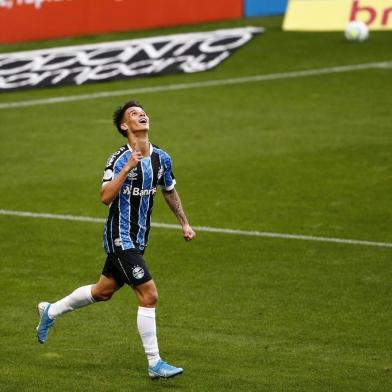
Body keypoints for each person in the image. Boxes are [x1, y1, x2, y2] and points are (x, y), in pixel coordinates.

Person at [36, 100, 196, 380]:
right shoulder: (118, 159)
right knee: (149, 295)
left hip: (139, 239)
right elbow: (105, 197)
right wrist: (127, 168)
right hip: (120, 238)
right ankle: (154, 363)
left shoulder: (162, 158)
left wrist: (184, 222)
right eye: (134, 114)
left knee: (103, 291)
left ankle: (51, 311)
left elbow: (169, 190)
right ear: (125, 126)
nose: (142, 115)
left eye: (143, 112)